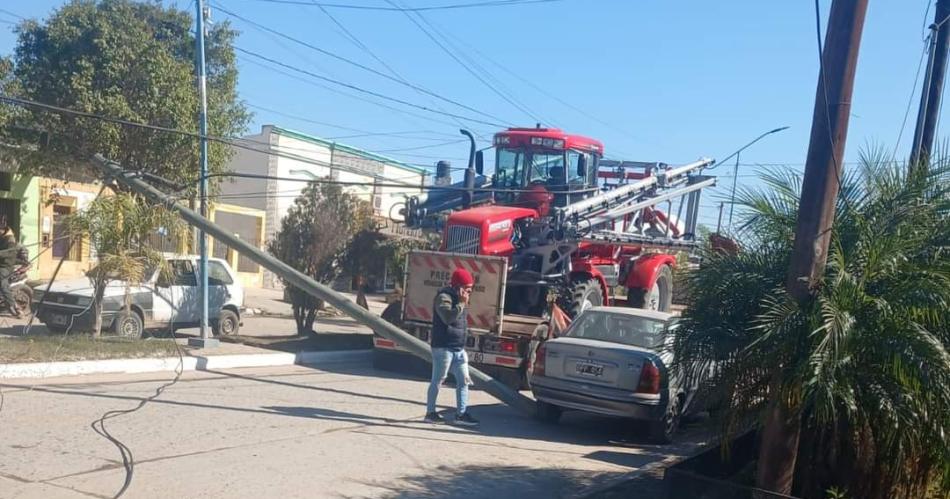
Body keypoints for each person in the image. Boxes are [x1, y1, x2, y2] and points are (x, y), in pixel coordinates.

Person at [425, 267, 478, 426]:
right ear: (458, 287)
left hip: (458, 349)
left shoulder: (460, 300)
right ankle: (430, 413)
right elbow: (448, 318)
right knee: (438, 381)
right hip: (443, 348)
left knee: (463, 381)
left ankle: (461, 414)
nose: (469, 293)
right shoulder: (444, 298)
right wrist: (461, 304)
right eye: (467, 289)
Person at [0, 225, 23, 318]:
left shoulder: (10, 240)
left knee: (3, 285)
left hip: (5, 267)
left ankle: (16, 307)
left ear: (3, 230)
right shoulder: (2, 238)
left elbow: (10, 253)